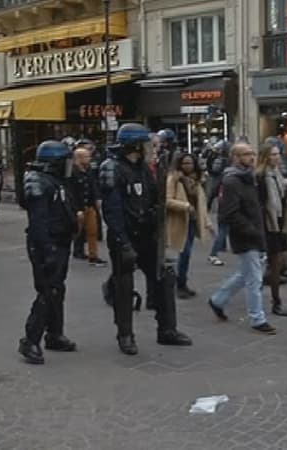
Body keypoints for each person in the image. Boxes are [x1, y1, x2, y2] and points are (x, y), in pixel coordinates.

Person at [100, 123, 192, 355]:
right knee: (125, 287)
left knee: (164, 279)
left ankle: (167, 329)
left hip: (147, 235)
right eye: (144, 144)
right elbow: (112, 211)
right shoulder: (112, 168)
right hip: (126, 236)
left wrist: (155, 218)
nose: (149, 148)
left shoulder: (145, 168)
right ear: (134, 145)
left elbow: (152, 198)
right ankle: (125, 334)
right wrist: (123, 241)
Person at [17, 140, 79, 365]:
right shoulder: (39, 182)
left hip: (60, 240)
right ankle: (30, 340)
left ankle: (54, 334)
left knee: (57, 289)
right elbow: (38, 221)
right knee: (47, 291)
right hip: (47, 243)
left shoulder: (56, 181)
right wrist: (48, 250)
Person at [207, 142, 277, 335]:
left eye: (252, 153)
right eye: (247, 154)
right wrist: (251, 229)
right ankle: (257, 318)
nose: (252, 157)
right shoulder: (231, 181)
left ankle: (218, 300)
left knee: (245, 274)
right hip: (245, 236)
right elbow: (228, 214)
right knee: (254, 278)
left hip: (255, 233)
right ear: (236, 158)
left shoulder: (250, 178)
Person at [166, 152, 213, 299]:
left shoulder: (196, 180)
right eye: (185, 163)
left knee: (186, 254)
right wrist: (185, 206)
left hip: (192, 221)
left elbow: (202, 203)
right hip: (180, 221)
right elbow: (167, 200)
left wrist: (207, 222)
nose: (187, 166)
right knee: (184, 252)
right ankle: (179, 284)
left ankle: (182, 283)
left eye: (190, 163)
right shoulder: (174, 179)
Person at [256, 142, 287, 317]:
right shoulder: (262, 176)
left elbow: (282, 200)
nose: (277, 157)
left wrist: (286, 188)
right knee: (275, 263)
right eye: (273, 155)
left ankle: (273, 298)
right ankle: (276, 302)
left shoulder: (278, 175)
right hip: (268, 224)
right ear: (265, 157)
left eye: (278, 154)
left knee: (278, 263)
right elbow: (262, 203)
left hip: (278, 222)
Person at [70, 145, 107, 266]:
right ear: (79, 158)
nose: (89, 158)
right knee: (78, 231)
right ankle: (77, 250)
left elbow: (93, 185)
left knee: (93, 230)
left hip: (89, 205)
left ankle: (93, 255)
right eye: (86, 156)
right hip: (79, 206)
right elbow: (71, 192)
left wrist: (97, 198)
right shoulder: (72, 172)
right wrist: (76, 209)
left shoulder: (89, 170)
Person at [205, 139, 231, 266]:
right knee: (224, 227)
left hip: (222, 191)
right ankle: (216, 251)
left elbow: (212, 170)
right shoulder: (226, 162)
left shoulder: (220, 159)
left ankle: (220, 247)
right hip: (225, 194)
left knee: (224, 226)